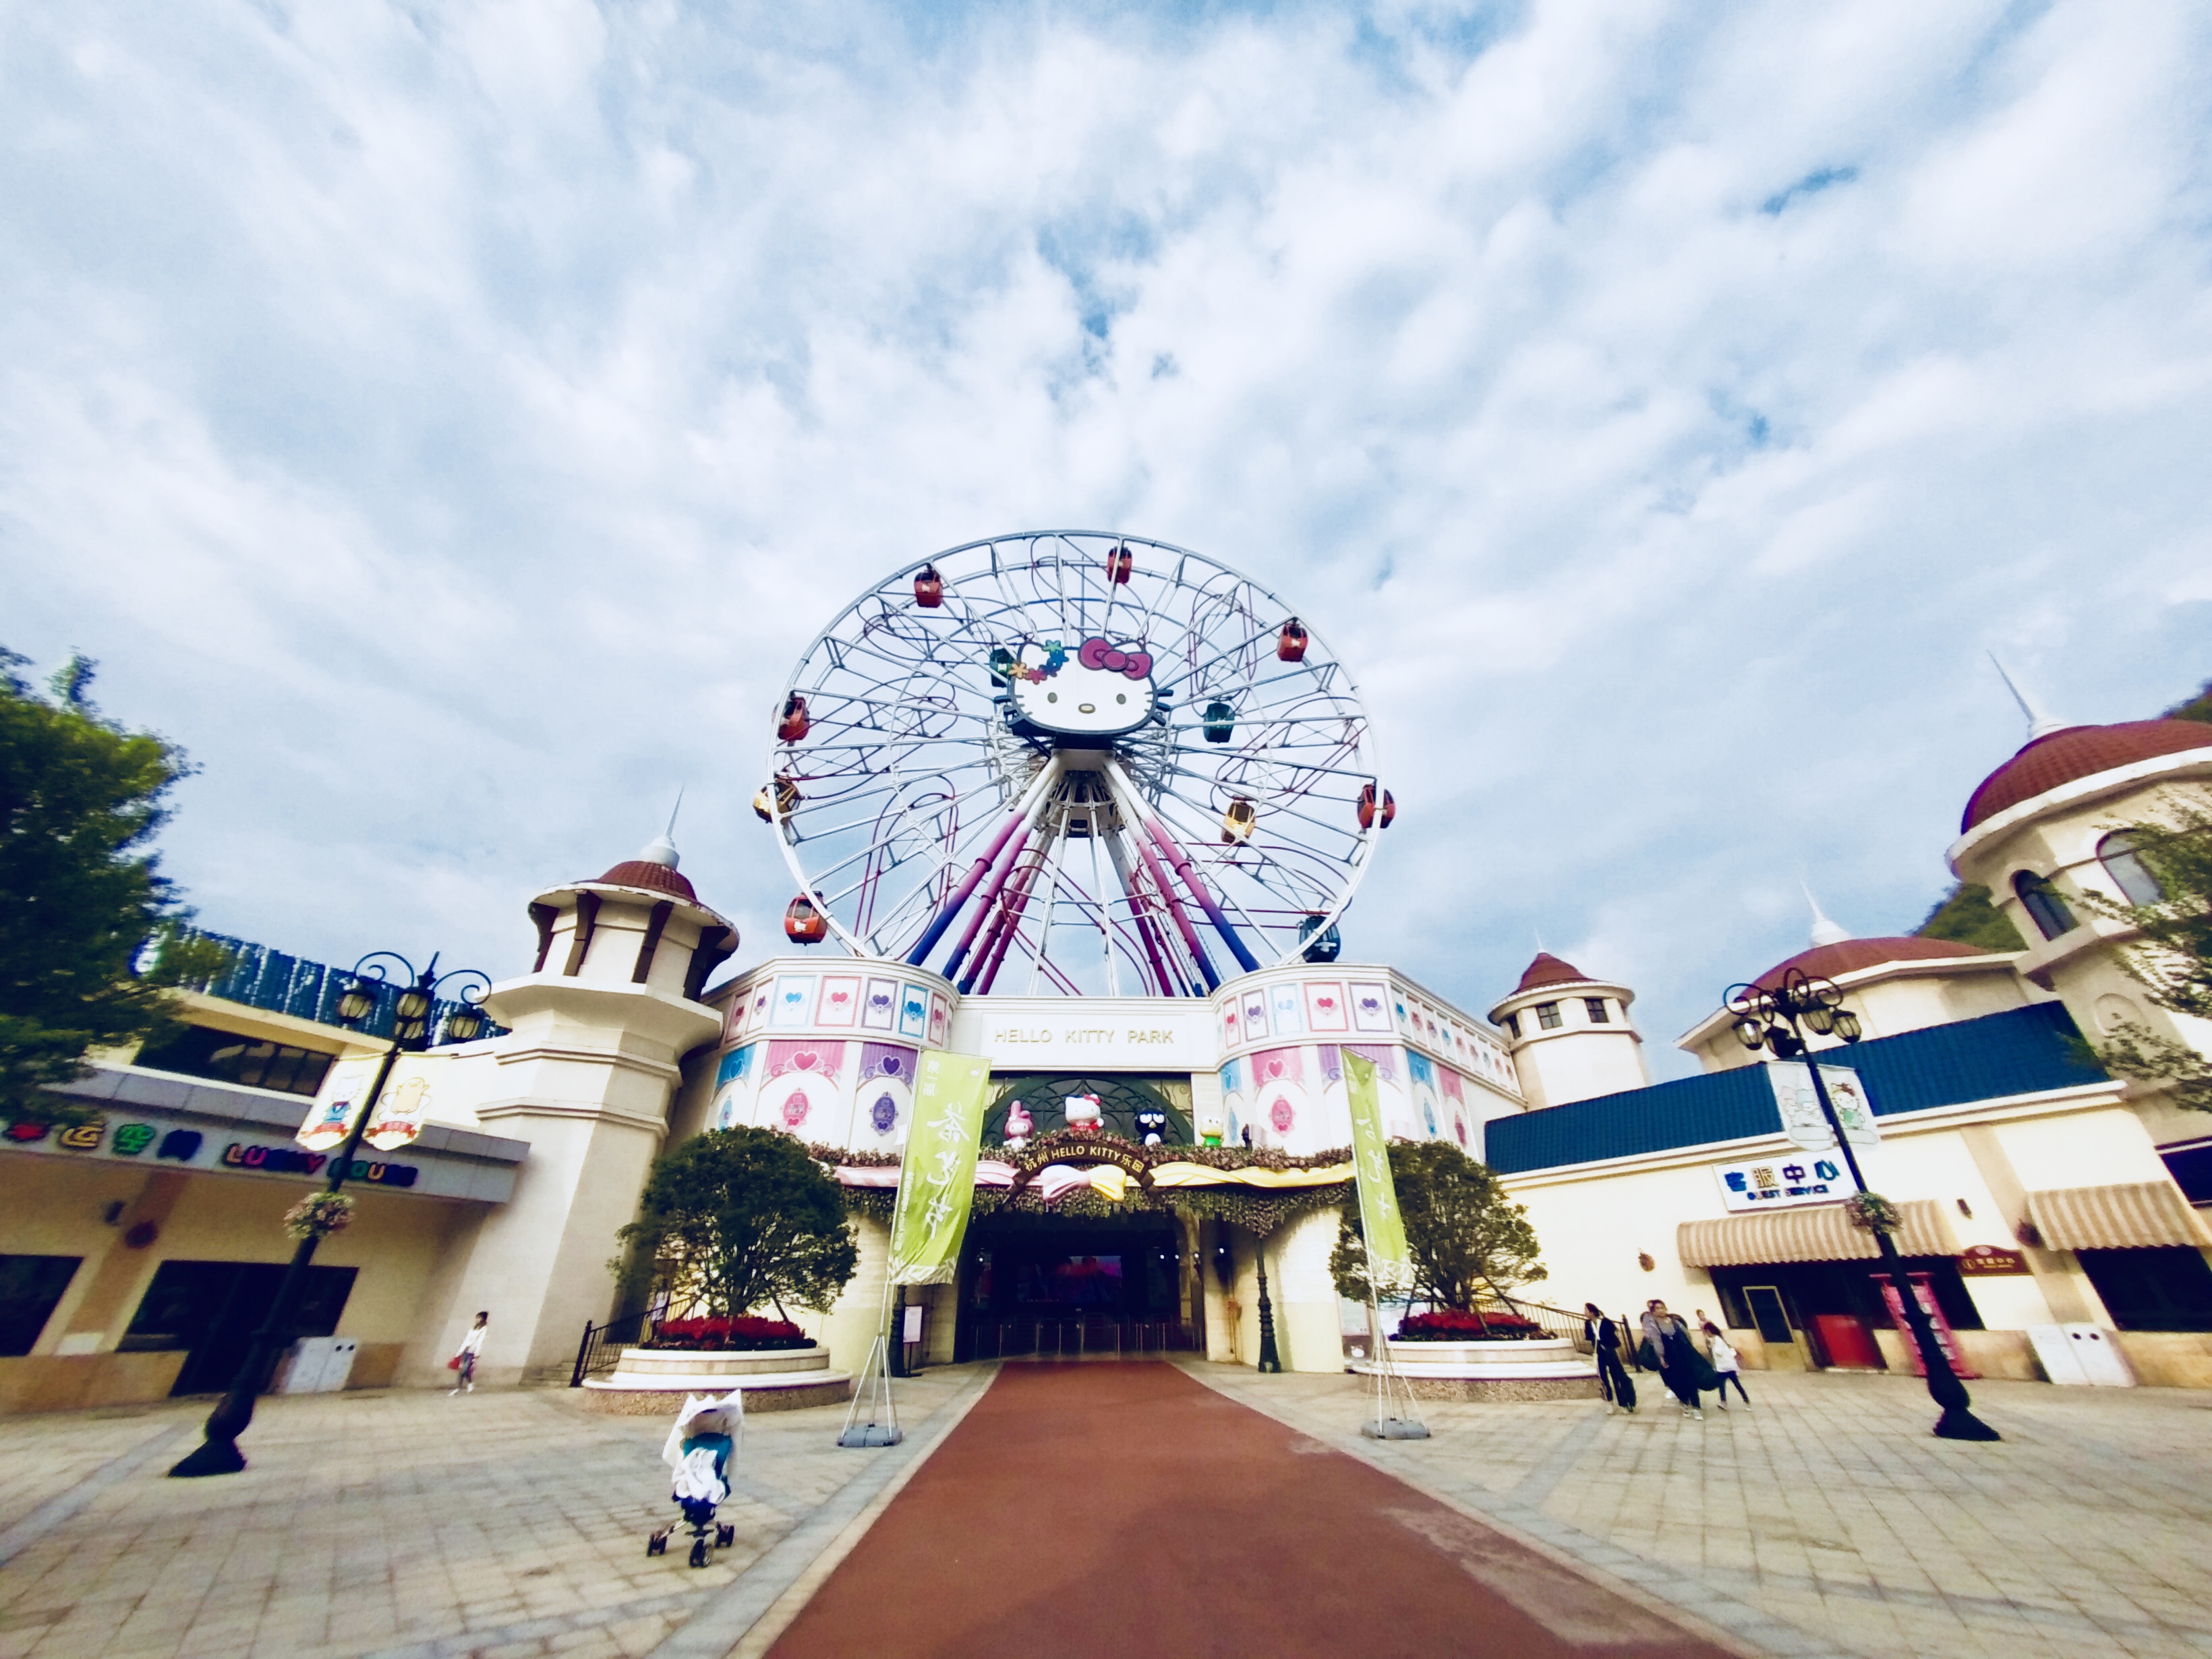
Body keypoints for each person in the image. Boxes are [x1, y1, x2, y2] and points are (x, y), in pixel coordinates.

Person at [1641, 1300, 1716, 1419]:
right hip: (1669, 1357)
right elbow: (1657, 1341)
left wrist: (1690, 1349)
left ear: (1666, 1309)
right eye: (1657, 1309)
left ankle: (1696, 1407)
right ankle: (1685, 1403)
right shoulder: (1654, 1325)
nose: (1660, 1311)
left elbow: (1686, 1335)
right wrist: (1661, 1357)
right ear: (1654, 1311)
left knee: (1690, 1380)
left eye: (1662, 1308)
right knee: (1675, 1382)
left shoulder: (1675, 1321)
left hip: (1684, 1354)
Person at [1583, 1302, 1636, 1414]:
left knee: (1616, 1377)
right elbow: (1588, 1337)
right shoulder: (1588, 1324)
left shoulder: (1606, 1322)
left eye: (1586, 1310)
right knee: (1603, 1378)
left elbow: (1613, 1336)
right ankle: (1609, 1402)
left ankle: (1623, 1403)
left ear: (1592, 1312)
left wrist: (1606, 1344)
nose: (1585, 1313)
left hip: (1610, 1352)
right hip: (1599, 1353)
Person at [1701, 1319, 1751, 1409]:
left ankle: (1744, 1399)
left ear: (1709, 1331)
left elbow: (1719, 1352)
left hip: (1726, 1367)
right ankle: (1728, 1401)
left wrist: (1713, 1346)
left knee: (1733, 1384)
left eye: (1706, 1332)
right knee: (1725, 1385)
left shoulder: (1718, 1340)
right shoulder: (1716, 1339)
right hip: (1724, 1367)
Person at [450, 1311, 488, 1395]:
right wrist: (460, 1352)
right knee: (462, 1369)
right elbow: (466, 1340)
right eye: (477, 1318)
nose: (477, 1320)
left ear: (483, 1319)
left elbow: (480, 1341)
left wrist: (477, 1353)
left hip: (472, 1352)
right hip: (466, 1350)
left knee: (466, 1369)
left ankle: (466, 1385)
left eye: (479, 1318)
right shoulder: (473, 1328)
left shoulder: (483, 1329)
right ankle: (459, 1387)